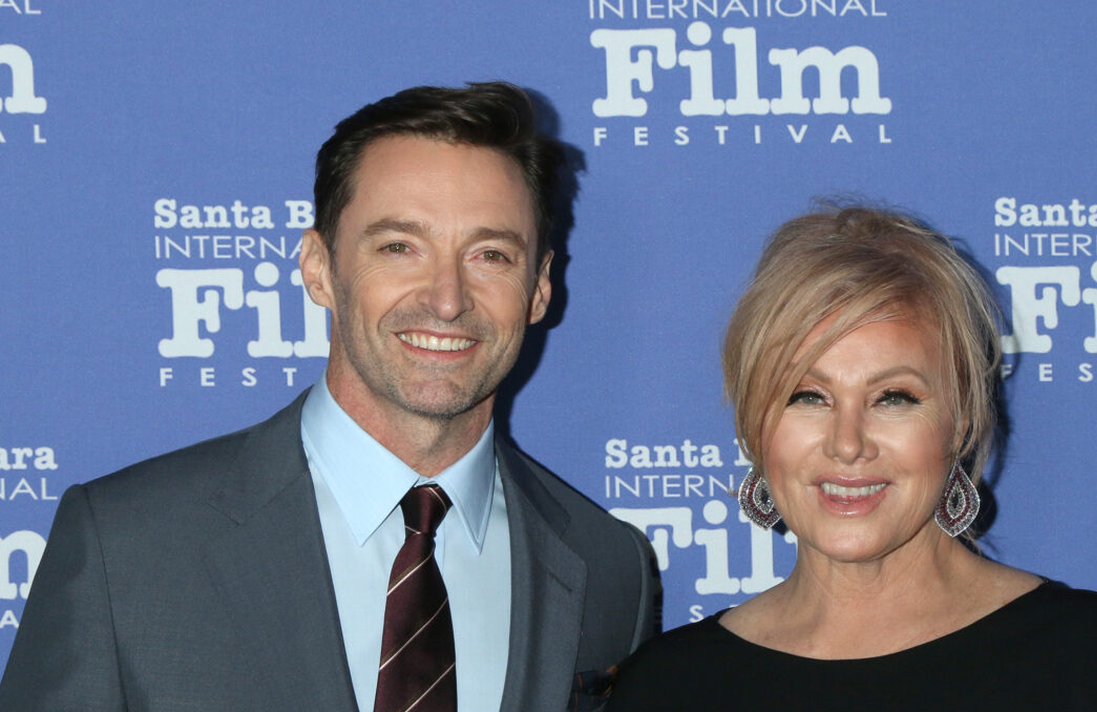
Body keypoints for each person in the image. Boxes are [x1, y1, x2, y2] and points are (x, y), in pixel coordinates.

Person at [0, 83, 655, 712]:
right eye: (399, 247)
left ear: (539, 288)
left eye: (491, 255)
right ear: (318, 268)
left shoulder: (607, 566)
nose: (447, 299)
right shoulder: (125, 547)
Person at [606, 204, 1097, 711]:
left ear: (960, 423)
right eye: (807, 395)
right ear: (754, 424)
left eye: (893, 397)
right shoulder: (670, 687)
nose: (848, 443)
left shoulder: (1094, 664)